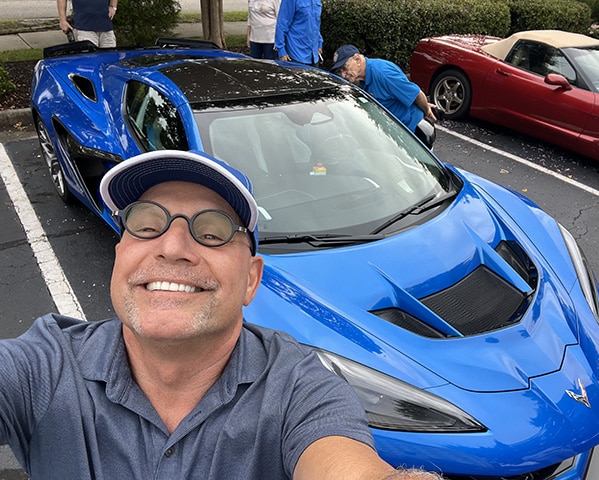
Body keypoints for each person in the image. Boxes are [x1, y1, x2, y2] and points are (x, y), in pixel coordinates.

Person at [0, 149, 445, 480]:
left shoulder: (298, 389)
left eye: (211, 232)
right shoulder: (43, 368)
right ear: (120, 256)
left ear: (251, 279)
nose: (172, 247)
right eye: (146, 225)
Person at [331, 44, 437, 144]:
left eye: (345, 68)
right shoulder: (363, 77)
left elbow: (417, 94)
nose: (343, 75)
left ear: (357, 59)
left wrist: (427, 110)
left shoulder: (384, 75)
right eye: (340, 71)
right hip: (394, 131)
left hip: (413, 132)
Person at [275, 0, 323, 65]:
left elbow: (316, 23)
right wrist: (281, 51)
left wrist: (319, 43)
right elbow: (282, 24)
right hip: (295, 54)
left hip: (314, 56)